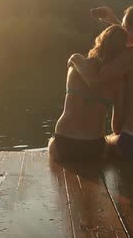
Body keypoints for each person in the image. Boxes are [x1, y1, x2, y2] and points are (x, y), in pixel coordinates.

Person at [69, 5, 133, 162]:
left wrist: (76, 59)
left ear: (131, 30)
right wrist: (114, 21)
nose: (122, 31)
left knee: (106, 140)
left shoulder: (129, 57)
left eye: (124, 27)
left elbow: (95, 81)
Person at [48, 25, 128, 162]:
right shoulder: (118, 82)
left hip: (62, 144)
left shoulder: (77, 60)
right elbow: (117, 127)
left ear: (100, 41)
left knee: (51, 142)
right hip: (93, 147)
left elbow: (89, 78)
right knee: (110, 141)